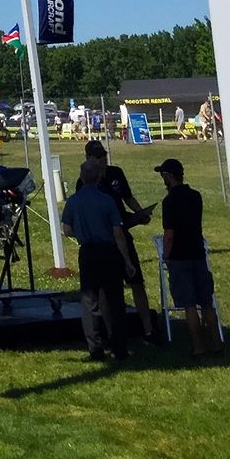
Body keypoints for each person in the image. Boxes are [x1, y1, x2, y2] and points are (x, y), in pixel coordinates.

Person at [77, 141, 157, 340]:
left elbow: (127, 197)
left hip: (123, 231)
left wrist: (140, 213)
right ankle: (111, 332)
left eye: (104, 155)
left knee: (137, 282)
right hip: (104, 239)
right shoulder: (85, 181)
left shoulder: (116, 173)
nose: (103, 159)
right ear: (89, 158)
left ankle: (148, 329)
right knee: (105, 290)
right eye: (98, 156)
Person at [62, 160, 131, 361]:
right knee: (114, 299)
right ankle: (119, 346)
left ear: (82, 177)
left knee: (89, 300)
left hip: (88, 252)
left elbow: (66, 229)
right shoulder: (107, 200)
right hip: (108, 251)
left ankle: (95, 347)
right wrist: (126, 260)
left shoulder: (73, 201)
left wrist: (82, 234)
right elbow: (118, 232)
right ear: (99, 177)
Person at [156, 158, 222, 356]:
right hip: (197, 252)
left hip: (179, 256)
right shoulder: (196, 196)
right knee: (207, 302)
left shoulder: (169, 202)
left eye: (163, 176)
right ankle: (217, 343)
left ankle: (198, 346)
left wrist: (165, 256)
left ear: (169, 176)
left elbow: (169, 235)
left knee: (189, 304)